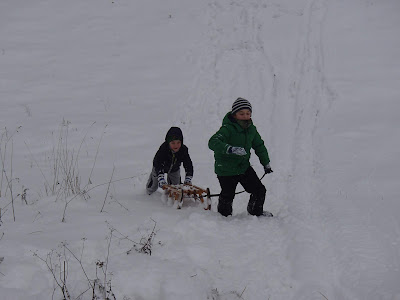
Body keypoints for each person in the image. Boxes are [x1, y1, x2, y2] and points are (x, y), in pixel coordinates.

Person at [208, 97, 273, 217]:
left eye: (248, 113)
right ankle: (223, 218)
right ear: (235, 114)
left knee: (259, 190)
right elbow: (212, 142)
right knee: (227, 195)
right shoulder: (227, 129)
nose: (245, 116)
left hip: (243, 167)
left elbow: (259, 146)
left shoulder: (251, 129)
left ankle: (255, 212)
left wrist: (266, 163)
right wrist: (230, 149)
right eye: (241, 113)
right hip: (226, 169)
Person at [146, 127, 193, 195]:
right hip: (159, 168)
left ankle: (171, 195)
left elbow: (188, 164)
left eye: (178, 142)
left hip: (174, 169)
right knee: (154, 183)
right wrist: (160, 176)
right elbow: (157, 162)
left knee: (176, 186)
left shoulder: (183, 150)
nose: (176, 145)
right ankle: (148, 194)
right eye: (173, 143)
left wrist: (188, 177)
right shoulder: (163, 149)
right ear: (168, 142)